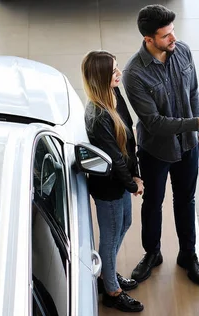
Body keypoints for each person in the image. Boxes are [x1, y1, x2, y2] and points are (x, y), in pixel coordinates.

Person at [122, 4, 199, 286]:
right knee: (153, 203)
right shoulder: (134, 74)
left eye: (173, 32)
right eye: (166, 35)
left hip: (189, 144)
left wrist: (198, 132)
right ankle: (152, 253)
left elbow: (193, 92)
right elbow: (154, 122)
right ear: (149, 40)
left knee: (186, 200)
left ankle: (188, 255)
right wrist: (197, 124)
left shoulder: (184, 51)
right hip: (156, 150)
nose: (173, 39)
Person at [82, 50, 145, 313]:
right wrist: (133, 184)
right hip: (109, 186)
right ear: (101, 78)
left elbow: (129, 140)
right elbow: (115, 157)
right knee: (109, 236)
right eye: (114, 71)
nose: (119, 74)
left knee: (125, 223)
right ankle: (111, 290)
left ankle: (106, 272)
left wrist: (136, 173)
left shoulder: (114, 95)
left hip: (123, 178)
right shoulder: (98, 116)